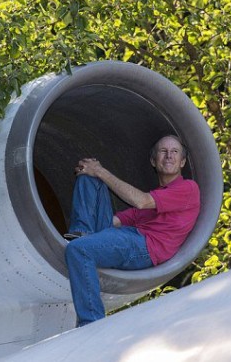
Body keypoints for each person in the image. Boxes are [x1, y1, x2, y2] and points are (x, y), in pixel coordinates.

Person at [64, 135, 201, 327]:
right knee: (89, 177)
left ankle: (91, 325)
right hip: (128, 237)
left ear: (182, 162)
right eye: (163, 151)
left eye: (174, 152)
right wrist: (92, 172)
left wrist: (101, 171)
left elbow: (140, 200)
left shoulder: (188, 189)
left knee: (78, 250)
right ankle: (82, 234)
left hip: (145, 247)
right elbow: (114, 221)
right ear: (154, 161)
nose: (169, 156)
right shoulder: (156, 198)